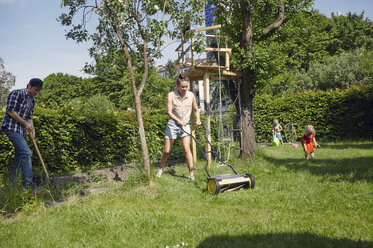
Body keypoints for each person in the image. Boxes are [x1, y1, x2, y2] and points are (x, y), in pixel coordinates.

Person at [156, 73, 201, 181]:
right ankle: (161, 168)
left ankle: (191, 174)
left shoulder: (191, 95)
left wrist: (198, 119)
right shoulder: (171, 95)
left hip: (185, 125)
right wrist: (179, 121)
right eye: (182, 87)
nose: (185, 89)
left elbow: (196, 110)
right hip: (173, 124)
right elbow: (169, 112)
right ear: (177, 86)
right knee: (167, 150)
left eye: (186, 86)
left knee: (186, 149)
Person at [1, 78, 43, 191]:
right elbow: (10, 111)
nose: (36, 92)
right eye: (35, 89)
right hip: (10, 127)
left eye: (38, 91)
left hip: (21, 130)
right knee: (26, 153)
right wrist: (25, 124)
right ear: (29, 85)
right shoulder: (17, 93)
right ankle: (28, 185)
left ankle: (12, 186)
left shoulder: (32, 100)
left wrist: (32, 130)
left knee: (19, 157)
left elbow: (29, 117)